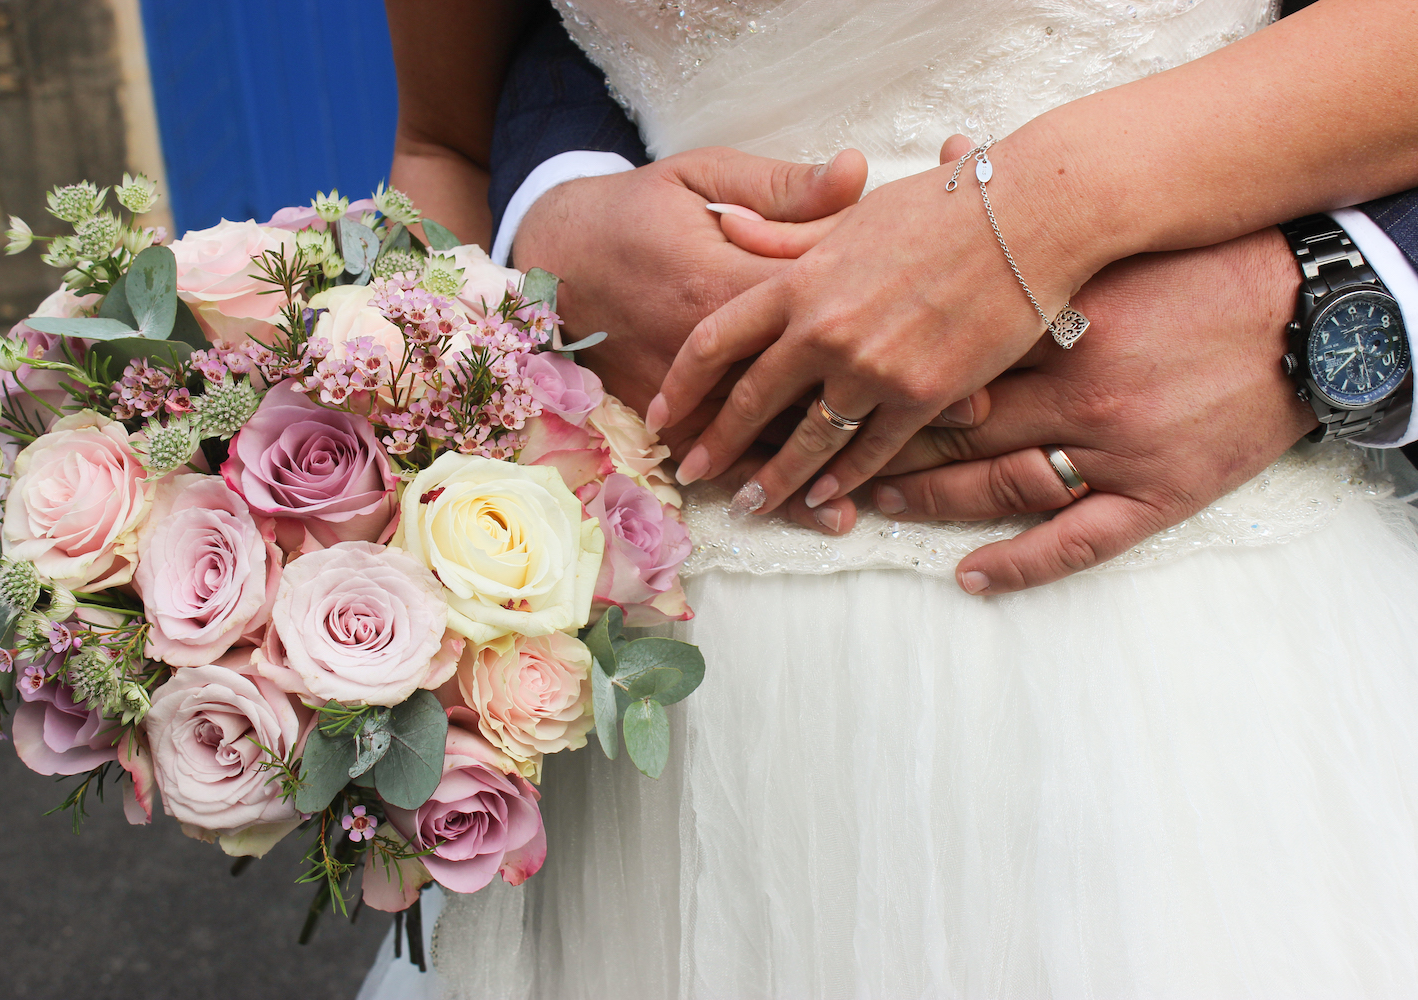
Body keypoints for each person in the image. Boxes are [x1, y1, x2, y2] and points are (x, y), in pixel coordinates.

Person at [363, 1, 1418, 996]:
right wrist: (545, 229)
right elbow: (471, 103)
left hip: (1202, 647)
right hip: (679, 683)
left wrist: (1321, 295)